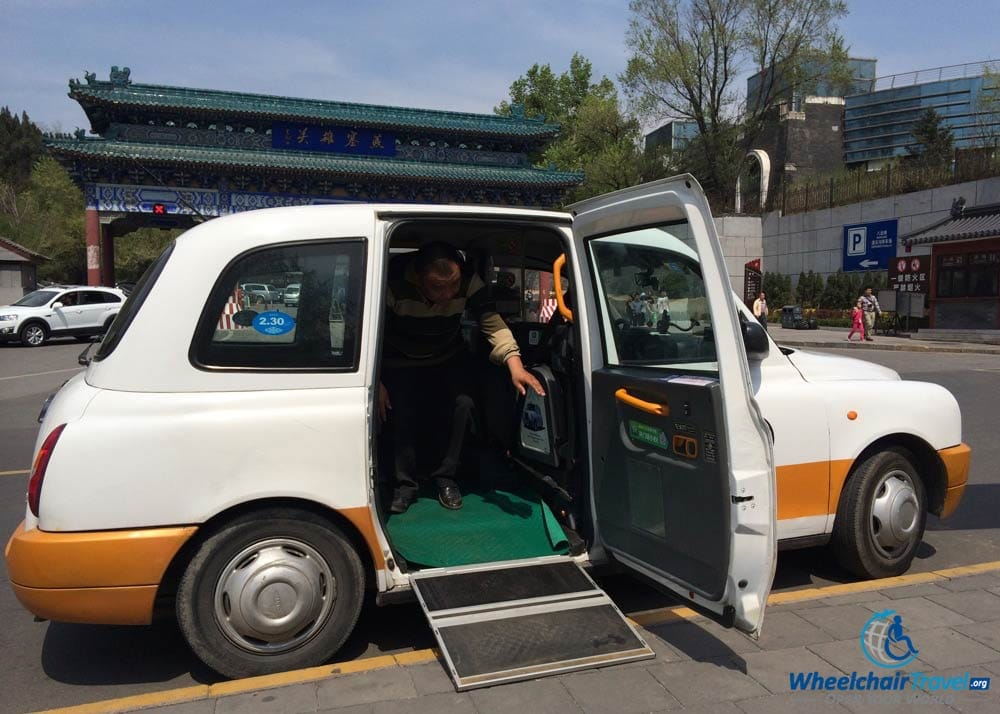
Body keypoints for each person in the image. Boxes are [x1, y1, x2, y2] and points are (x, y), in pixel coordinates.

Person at [379, 241, 545, 514]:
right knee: (401, 412)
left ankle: (446, 477)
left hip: (447, 356)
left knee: (463, 404)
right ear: (418, 279)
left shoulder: (468, 279)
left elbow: (491, 322)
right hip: (399, 361)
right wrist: (378, 382)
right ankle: (404, 485)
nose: (448, 295)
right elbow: (373, 332)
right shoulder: (393, 280)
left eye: (453, 286)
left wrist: (515, 364)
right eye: (438, 288)